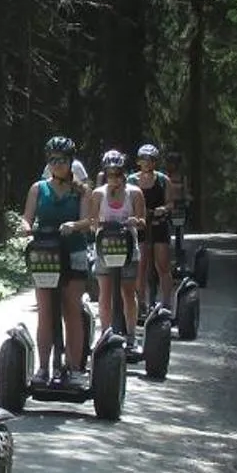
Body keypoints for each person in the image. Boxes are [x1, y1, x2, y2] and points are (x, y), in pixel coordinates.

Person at [22, 136, 91, 387]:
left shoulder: (82, 190)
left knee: (71, 309)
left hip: (73, 252)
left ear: (71, 162)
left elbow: (89, 221)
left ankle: (74, 368)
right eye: (52, 160)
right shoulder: (38, 188)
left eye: (61, 160)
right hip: (46, 253)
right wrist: (25, 228)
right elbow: (27, 218)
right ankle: (42, 368)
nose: (56, 164)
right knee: (46, 311)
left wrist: (75, 225)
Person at [87, 147, 143, 353]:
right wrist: (97, 223)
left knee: (128, 292)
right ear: (105, 173)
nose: (114, 177)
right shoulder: (98, 194)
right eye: (110, 173)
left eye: (117, 173)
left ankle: (130, 335)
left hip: (127, 247)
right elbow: (92, 223)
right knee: (105, 292)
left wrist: (134, 221)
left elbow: (142, 220)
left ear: (124, 173)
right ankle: (106, 333)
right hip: (105, 248)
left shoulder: (135, 193)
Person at [133, 142, 177, 310]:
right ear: (139, 161)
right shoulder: (132, 180)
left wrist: (162, 209)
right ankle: (141, 303)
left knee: (163, 264)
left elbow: (171, 203)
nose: (147, 162)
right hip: (141, 226)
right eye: (144, 159)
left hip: (159, 224)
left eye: (150, 159)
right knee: (141, 264)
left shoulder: (163, 180)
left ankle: (167, 303)